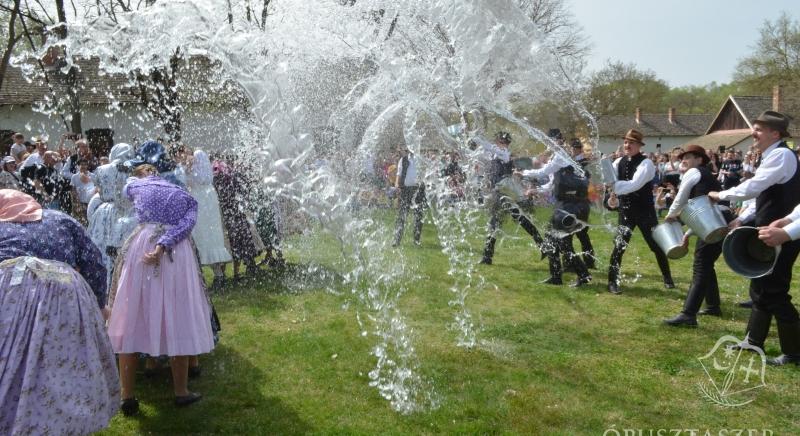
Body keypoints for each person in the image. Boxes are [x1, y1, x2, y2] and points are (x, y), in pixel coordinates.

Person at [0, 189, 118, 434]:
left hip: (11, 295)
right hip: (62, 295)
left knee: (10, 359)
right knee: (62, 363)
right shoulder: (60, 219)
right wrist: (97, 303)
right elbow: (94, 262)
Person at [107, 164, 215, 415]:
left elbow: (124, 190)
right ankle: (180, 391)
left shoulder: (136, 186)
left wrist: (158, 246)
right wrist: (164, 244)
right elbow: (185, 226)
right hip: (177, 253)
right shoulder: (186, 198)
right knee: (179, 315)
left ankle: (127, 396)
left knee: (132, 312)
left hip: (143, 244)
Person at [709, 110, 800, 366]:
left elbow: (753, 187)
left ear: (775, 133)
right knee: (760, 287)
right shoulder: (773, 155)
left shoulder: (781, 155)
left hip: (782, 234)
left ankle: (794, 353)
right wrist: (744, 218)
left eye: (759, 129)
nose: (753, 133)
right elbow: (761, 196)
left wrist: (720, 194)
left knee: (775, 290)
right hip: (768, 231)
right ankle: (752, 341)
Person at [662, 145, 731, 327]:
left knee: (701, 264)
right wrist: (688, 232)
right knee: (705, 262)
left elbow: (681, 198)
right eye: (682, 157)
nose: (683, 160)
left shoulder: (694, 172)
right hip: (716, 219)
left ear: (700, 160)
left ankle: (688, 314)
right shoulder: (702, 174)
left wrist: (670, 216)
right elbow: (699, 212)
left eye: (689, 157)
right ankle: (713, 306)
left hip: (714, 220)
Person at [606, 129, 674, 294]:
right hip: (626, 211)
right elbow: (609, 182)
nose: (627, 145)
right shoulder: (618, 162)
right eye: (626, 142)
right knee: (619, 246)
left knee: (655, 246)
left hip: (645, 212)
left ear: (639, 145)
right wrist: (611, 197)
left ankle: (667, 278)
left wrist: (614, 187)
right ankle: (612, 282)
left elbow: (634, 185)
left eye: (631, 142)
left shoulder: (647, 163)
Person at [520, 135, 591, 287]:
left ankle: (582, 273)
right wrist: (537, 190)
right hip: (568, 206)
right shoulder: (569, 161)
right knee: (552, 240)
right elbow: (553, 185)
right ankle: (557, 275)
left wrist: (523, 173)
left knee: (561, 242)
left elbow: (543, 172)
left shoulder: (562, 158)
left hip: (570, 207)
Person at [478, 131, 545, 265]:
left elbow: (487, 146)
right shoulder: (499, 154)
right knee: (497, 222)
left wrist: (474, 135)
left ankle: (543, 245)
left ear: (502, 142)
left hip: (504, 192)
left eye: (498, 141)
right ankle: (487, 256)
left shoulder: (504, 153)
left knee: (509, 220)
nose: (496, 143)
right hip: (500, 192)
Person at [181, 149, 233, 289]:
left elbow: (198, 180)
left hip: (203, 206)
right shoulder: (208, 186)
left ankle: (217, 276)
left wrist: (188, 169)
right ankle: (214, 276)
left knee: (207, 237)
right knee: (203, 236)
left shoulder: (200, 176)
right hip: (203, 205)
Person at [392, 146, 426, 247]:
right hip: (405, 190)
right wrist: (397, 184)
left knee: (418, 216)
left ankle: (416, 240)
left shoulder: (420, 159)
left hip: (418, 190)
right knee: (401, 216)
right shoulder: (403, 160)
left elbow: (425, 171)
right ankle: (396, 240)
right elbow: (398, 173)